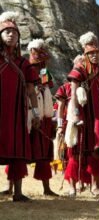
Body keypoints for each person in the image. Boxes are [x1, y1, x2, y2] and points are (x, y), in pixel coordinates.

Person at [0, 11, 40, 201]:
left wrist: (36, 112)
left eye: (14, 33)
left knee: (17, 150)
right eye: (7, 32)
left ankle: (17, 192)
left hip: (16, 113)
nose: (11, 35)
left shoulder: (24, 63)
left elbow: (31, 90)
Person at [64, 32, 99, 197]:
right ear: (85, 55)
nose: (95, 56)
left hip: (98, 117)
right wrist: (74, 114)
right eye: (91, 54)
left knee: (96, 150)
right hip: (81, 115)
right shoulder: (79, 71)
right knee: (76, 150)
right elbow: (74, 94)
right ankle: (73, 187)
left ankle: (95, 186)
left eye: (97, 53)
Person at [27, 39, 58, 196]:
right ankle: (12, 187)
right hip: (29, 112)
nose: (41, 56)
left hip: (44, 114)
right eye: (37, 52)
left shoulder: (44, 72)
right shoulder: (25, 68)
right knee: (20, 149)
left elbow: (47, 87)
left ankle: (46, 188)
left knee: (44, 151)